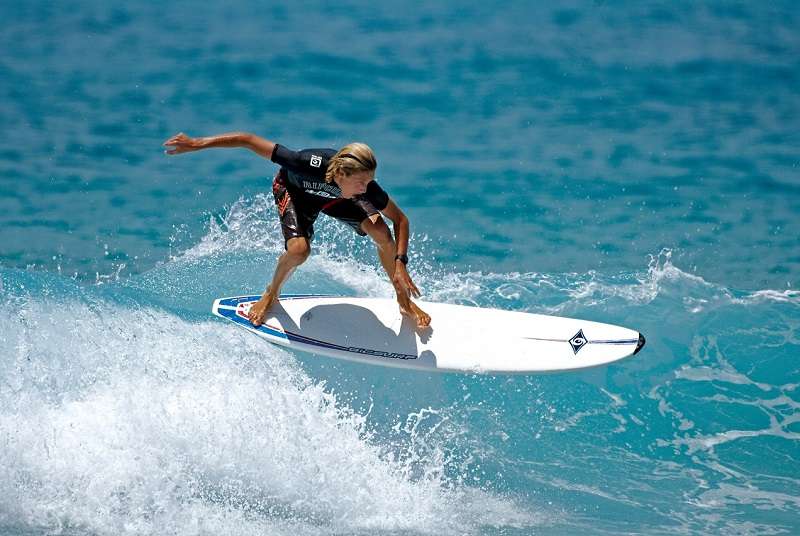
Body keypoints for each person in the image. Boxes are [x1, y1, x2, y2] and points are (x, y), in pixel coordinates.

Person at [163, 131, 431, 328]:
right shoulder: (305, 162)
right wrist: (197, 144)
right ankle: (271, 293)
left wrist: (400, 265)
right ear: (341, 173)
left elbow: (401, 220)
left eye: (369, 181)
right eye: (362, 182)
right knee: (300, 251)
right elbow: (247, 140)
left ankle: (403, 301)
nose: (367, 188)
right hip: (295, 193)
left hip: (337, 200)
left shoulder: (362, 189)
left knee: (383, 234)